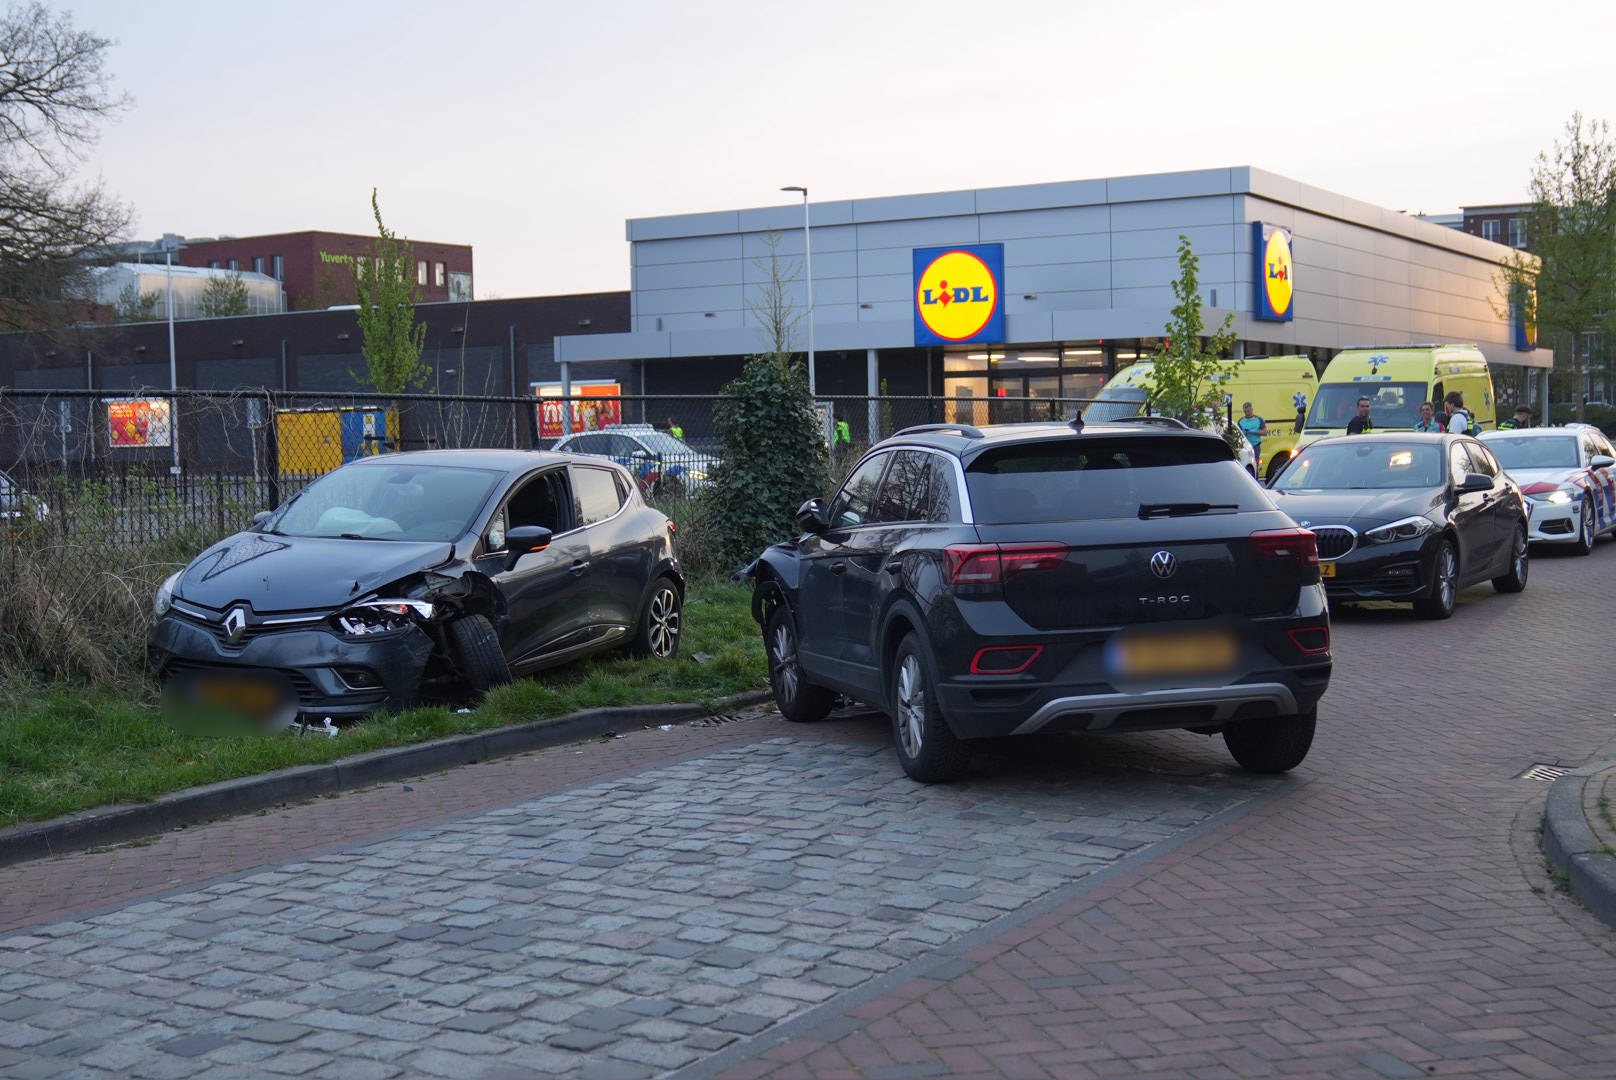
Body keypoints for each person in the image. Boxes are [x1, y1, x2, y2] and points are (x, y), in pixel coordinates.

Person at [1236, 401, 1268, 467]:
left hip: (1255, 446)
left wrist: (1253, 432)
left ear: (1252, 409)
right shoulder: (1241, 421)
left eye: (1248, 410)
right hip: (1244, 447)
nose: (1247, 412)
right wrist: (1242, 433)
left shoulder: (1258, 419)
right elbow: (1237, 434)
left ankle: (1255, 476)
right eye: (1245, 410)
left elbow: (1265, 432)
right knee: (1245, 464)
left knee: (1255, 465)